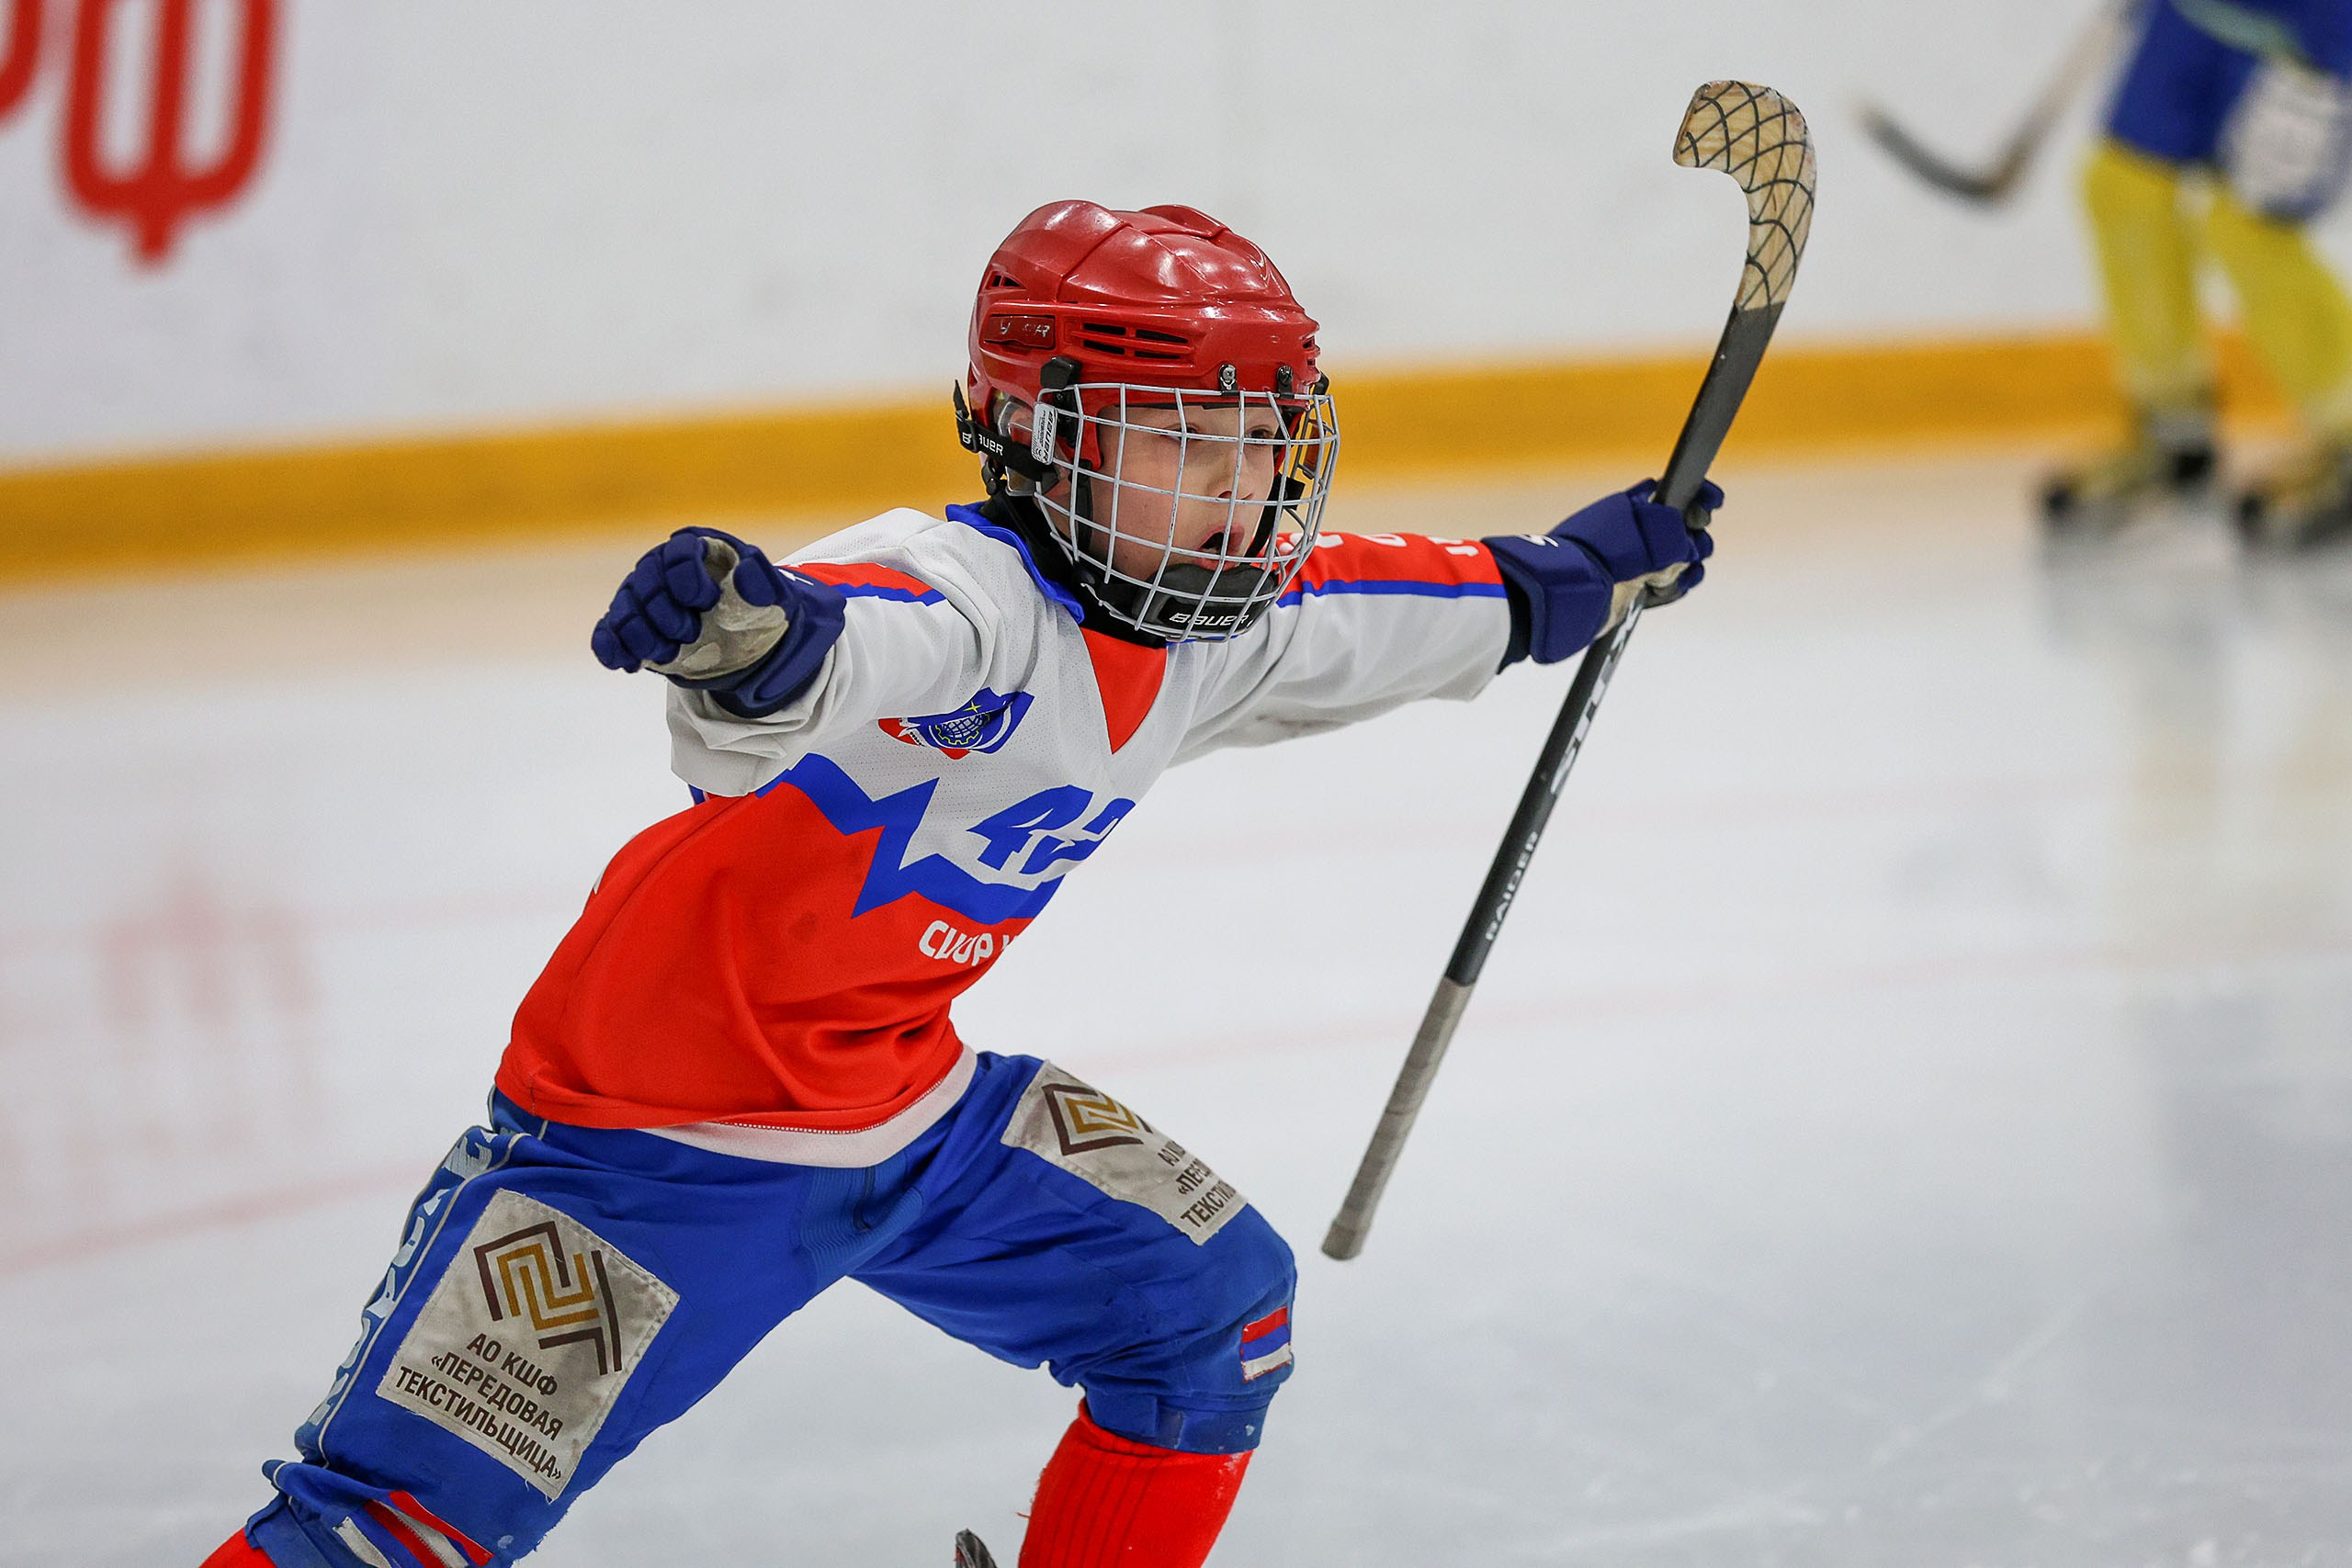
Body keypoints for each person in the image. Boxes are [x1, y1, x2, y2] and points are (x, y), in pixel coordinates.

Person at [198, 200, 1716, 1568]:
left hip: (910, 1118)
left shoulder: (1214, 631)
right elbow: (841, 637)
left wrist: (1574, 577)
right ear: (1042, 435)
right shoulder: (966, 600)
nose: (1242, 483)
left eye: (1263, 436)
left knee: (1212, 1310)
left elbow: (1406, 605)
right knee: (380, 1538)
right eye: (1183, 435)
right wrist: (751, 638)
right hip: (649, 1153)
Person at [2043, 0, 2352, 547]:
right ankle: (2174, 432)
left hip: (2314, 23)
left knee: (2249, 227)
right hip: (2195, 13)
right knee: (2123, 187)